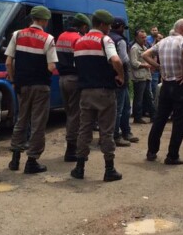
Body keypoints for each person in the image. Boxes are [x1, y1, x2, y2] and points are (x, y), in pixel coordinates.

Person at [70, 10, 124, 182]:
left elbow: (75, 65)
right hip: (104, 91)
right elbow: (116, 60)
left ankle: (79, 168)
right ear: (101, 25)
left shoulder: (78, 41)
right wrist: (121, 76)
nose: (109, 29)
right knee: (106, 131)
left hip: (85, 91)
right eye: (108, 25)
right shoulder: (104, 39)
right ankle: (109, 169)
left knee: (84, 130)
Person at [6, 6, 58, 174]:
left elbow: (8, 63)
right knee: (38, 124)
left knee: (21, 120)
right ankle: (32, 161)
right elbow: (51, 67)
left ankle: (15, 159)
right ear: (44, 20)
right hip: (41, 86)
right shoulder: (48, 39)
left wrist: (14, 80)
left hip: (22, 85)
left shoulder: (17, 35)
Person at [142, 19, 183, 165]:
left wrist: (159, 67)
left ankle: (152, 151)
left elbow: (145, 55)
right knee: (178, 121)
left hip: (166, 83)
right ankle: (172, 155)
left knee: (160, 118)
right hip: (180, 84)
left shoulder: (162, 42)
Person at [55, 13, 91, 162]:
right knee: (75, 115)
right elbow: (81, 62)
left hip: (61, 79)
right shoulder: (78, 39)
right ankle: (71, 150)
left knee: (69, 113)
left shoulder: (61, 36)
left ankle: (71, 147)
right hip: (74, 79)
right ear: (83, 26)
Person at [109, 17, 138, 146]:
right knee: (119, 109)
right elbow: (124, 60)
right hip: (120, 78)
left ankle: (126, 132)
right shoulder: (120, 40)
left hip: (113, 77)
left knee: (126, 107)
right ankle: (116, 135)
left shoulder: (107, 38)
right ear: (120, 27)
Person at [129, 29, 155, 124]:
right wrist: (146, 65)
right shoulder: (134, 48)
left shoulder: (144, 47)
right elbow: (134, 62)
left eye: (145, 37)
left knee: (149, 96)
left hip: (146, 75)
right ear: (136, 38)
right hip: (139, 77)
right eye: (142, 37)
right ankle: (137, 117)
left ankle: (153, 115)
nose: (144, 39)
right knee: (138, 98)